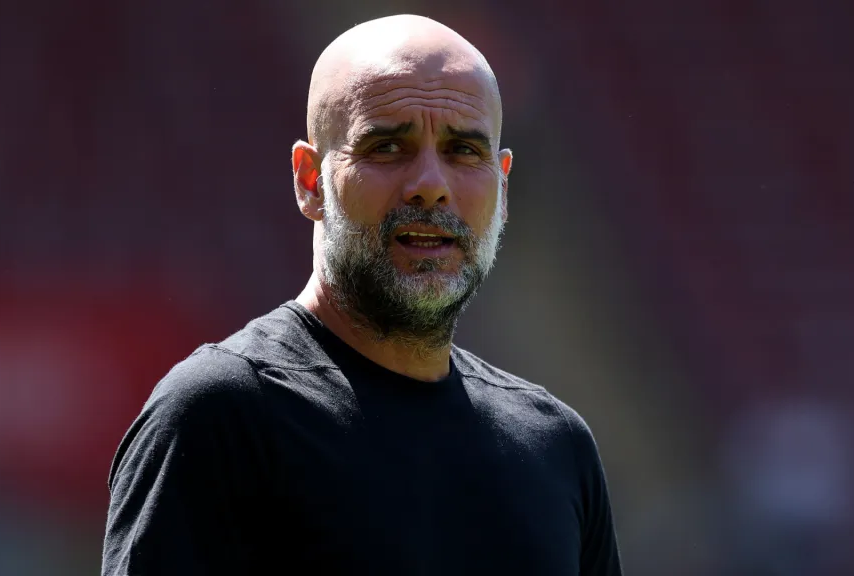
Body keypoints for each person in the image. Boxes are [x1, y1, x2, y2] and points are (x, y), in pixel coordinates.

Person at [102, 14, 623, 576]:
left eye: (463, 151)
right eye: (388, 147)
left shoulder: (555, 448)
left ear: (501, 185)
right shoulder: (220, 418)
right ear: (310, 180)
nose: (431, 184)